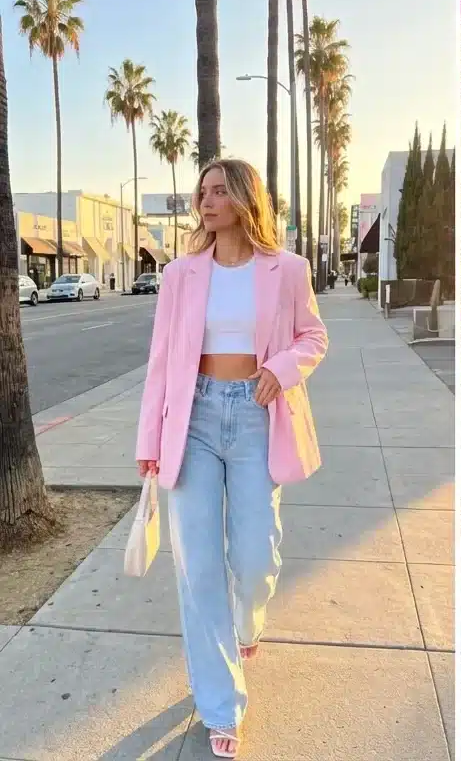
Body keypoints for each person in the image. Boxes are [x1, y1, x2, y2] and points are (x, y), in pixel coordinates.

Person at [135, 159, 328, 759]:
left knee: (254, 556)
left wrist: (279, 369)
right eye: (203, 191)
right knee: (197, 566)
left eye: (219, 191)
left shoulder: (288, 270)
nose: (206, 200)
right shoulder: (179, 275)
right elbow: (163, 361)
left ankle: (249, 625)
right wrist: (148, 443)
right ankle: (221, 704)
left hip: (255, 416)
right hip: (189, 419)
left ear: (246, 198)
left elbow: (313, 338)